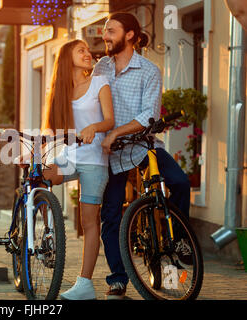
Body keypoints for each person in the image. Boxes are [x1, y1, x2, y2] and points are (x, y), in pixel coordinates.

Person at [92, 12, 191, 300]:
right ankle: (118, 279)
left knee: (181, 182)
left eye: (111, 30)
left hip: (144, 145)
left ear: (130, 35)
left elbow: (149, 115)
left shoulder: (149, 70)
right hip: (111, 152)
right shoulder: (101, 68)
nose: (105, 35)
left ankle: (179, 240)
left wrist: (116, 132)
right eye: (105, 30)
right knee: (110, 215)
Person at [18, 39, 115, 300]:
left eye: (87, 50)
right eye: (80, 50)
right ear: (66, 58)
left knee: (88, 221)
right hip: (69, 155)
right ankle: (48, 232)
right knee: (39, 176)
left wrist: (94, 128)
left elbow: (110, 120)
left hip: (94, 159)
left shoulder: (99, 82)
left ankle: (85, 284)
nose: (87, 54)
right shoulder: (59, 92)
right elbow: (48, 130)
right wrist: (32, 151)